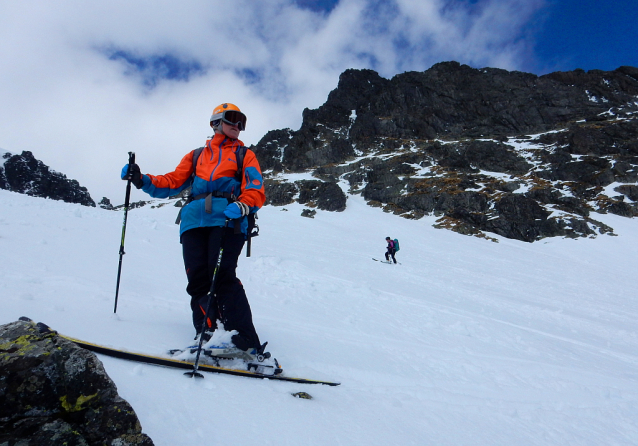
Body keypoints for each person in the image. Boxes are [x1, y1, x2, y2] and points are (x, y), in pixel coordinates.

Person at [120, 103, 266, 353]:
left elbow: (255, 187)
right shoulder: (197, 155)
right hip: (192, 222)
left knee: (221, 276)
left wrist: (243, 205)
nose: (237, 126)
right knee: (197, 279)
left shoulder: (245, 155)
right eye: (233, 119)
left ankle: (244, 339)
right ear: (216, 122)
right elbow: (172, 182)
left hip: (228, 219)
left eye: (242, 122)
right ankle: (207, 333)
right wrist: (141, 179)